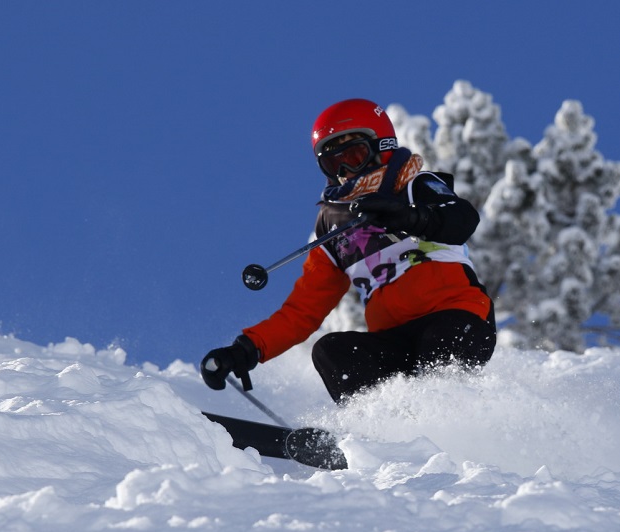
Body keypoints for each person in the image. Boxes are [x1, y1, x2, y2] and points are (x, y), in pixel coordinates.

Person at [201, 98, 496, 404]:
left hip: (459, 318)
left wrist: (409, 217)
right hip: (396, 340)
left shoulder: (413, 186)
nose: (345, 171)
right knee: (331, 351)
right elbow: (303, 311)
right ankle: (381, 431)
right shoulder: (335, 230)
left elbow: (461, 219)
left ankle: (447, 418)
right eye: (332, 163)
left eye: (354, 156)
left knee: (441, 339)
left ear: (382, 145)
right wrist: (246, 349)